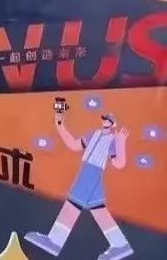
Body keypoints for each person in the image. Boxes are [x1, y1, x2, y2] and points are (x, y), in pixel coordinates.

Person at [24, 111, 132, 260]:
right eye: (104, 119)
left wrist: (121, 141)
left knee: (72, 205)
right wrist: (60, 127)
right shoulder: (93, 134)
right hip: (85, 170)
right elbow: (74, 145)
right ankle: (120, 245)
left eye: (108, 120)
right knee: (98, 210)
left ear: (113, 124)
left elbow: (119, 163)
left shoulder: (113, 140)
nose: (105, 121)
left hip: (93, 173)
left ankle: (55, 241)